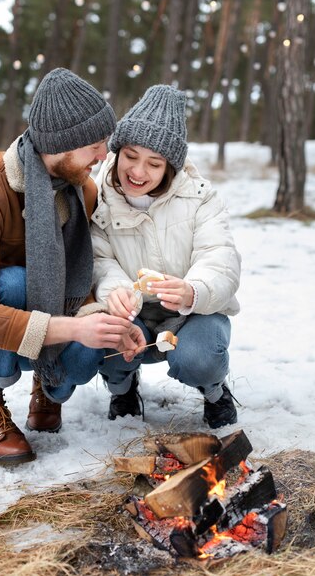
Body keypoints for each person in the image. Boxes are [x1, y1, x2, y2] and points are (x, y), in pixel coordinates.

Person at [0, 68, 144, 466]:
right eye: (95, 144)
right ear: (62, 144)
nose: (104, 154)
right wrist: (75, 327)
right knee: (12, 283)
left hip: (42, 314)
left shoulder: (83, 191)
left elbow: (82, 272)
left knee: (88, 349)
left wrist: (103, 323)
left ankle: (48, 384)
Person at [90, 84, 242, 428]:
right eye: (130, 156)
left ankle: (215, 392)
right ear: (117, 151)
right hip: (136, 312)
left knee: (198, 357)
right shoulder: (98, 196)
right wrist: (114, 291)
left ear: (169, 167)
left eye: (153, 163)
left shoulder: (200, 198)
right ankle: (123, 388)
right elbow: (99, 257)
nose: (138, 172)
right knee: (109, 337)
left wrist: (194, 290)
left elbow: (220, 258)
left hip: (193, 314)